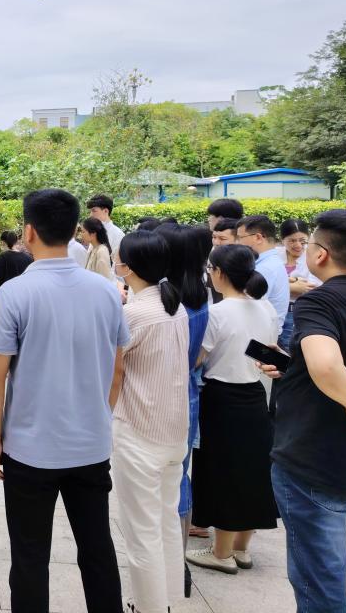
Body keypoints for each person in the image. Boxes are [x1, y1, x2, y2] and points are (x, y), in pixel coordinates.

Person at [0, 189, 128, 613]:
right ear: (74, 230)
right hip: (91, 447)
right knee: (97, 549)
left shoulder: (15, 293)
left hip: (31, 450)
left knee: (29, 557)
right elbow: (118, 368)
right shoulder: (105, 291)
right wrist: (100, 415)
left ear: (28, 232)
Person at [261, 210, 346, 613]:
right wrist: (292, 366)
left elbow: (327, 364)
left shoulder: (320, 301)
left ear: (321, 254)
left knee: (321, 579)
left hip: (318, 459)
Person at [186, 244, 279, 576]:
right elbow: (269, 354)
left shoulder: (218, 313)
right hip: (255, 396)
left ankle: (221, 553)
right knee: (252, 472)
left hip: (221, 398)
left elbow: (198, 359)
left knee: (222, 473)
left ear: (220, 273)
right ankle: (241, 548)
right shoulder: (265, 307)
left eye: (210, 270)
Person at [110, 231, 190, 613]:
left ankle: (147, 606)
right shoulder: (175, 306)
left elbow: (115, 372)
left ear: (127, 267)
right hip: (173, 431)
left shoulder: (134, 314)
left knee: (141, 530)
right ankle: (168, 600)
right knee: (164, 522)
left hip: (139, 431)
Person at [155, 223, 212, 585]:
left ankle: (167, 563)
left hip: (162, 395)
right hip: (189, 393)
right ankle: (178, 560)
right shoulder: (200, 296)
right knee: (179, 474)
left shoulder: (168, 304)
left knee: (158, 477)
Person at [235, 215, 289, 337]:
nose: (237, 243)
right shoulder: (270, 262)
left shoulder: (265, 268)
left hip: (261, 336)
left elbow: (248, 306)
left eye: (240, 237)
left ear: (258, 237)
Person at [276, 219, 322, 353]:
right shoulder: (275, 254)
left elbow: (311, 287)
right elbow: (264, 281)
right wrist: (292, 285)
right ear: (282, 240)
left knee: (289, 350)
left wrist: (281, 284)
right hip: (275, 310)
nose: (298, 245)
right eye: (292, 241)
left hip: (296, 312)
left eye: (302, 241)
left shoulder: (313, 255)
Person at [86, 194, 125, 258]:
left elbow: (117, 261)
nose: (90, 215)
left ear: (106, 211)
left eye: (94, 211)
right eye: (90, 212)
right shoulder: (94, 232)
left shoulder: (118, 234)